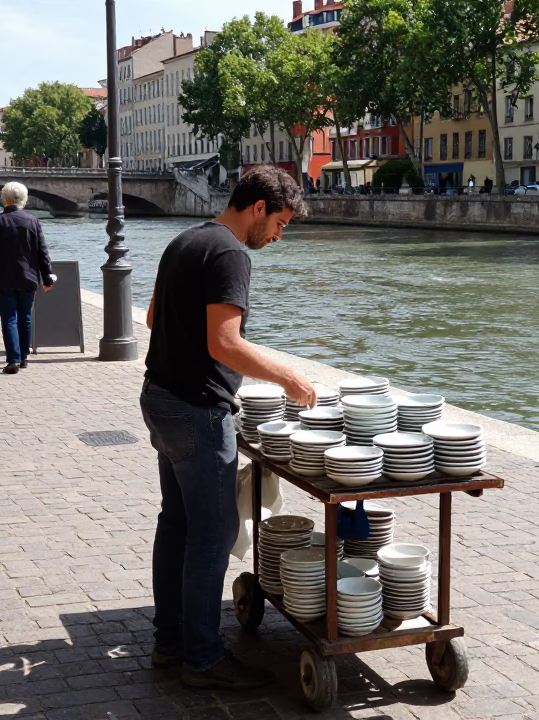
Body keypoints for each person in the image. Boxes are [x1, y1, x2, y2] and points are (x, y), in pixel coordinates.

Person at [140, 165, 315, 690]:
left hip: (160, 398)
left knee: (176, 523)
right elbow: (225, 343)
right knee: (213, 534)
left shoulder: (184, 241)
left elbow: (152, 318)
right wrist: (289, 378)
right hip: (197, 408)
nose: (279, 236)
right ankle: (203, 657)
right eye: (280, 223)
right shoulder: (231, 253)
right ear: (258, 208)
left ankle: (169, 643)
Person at [0, 182, 54, 374]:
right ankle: (23, 358)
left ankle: (12, 359)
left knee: (9, 318)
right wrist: (47, 277)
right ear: (24, 199)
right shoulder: (32, 221)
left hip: (3, 277)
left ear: (5, 199)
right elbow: (42, 251)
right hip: (28, 277)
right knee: (25, 317)